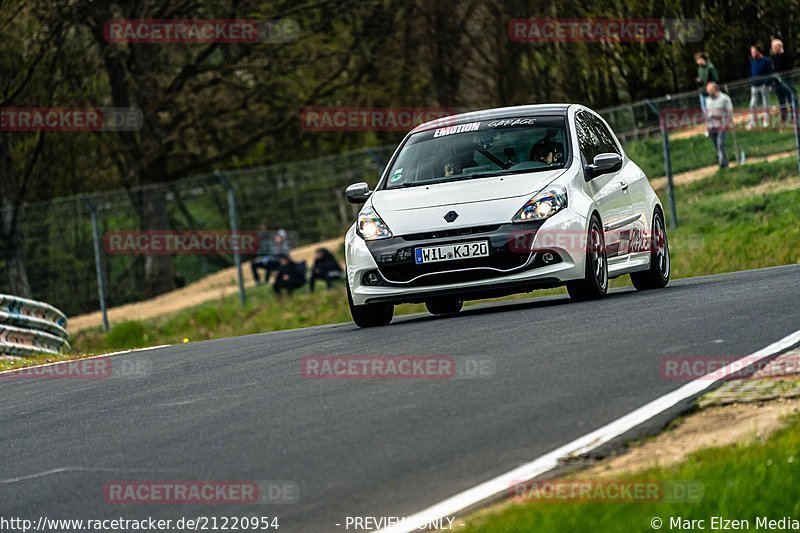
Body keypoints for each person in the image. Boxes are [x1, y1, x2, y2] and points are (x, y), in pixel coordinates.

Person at [705, 82, 733, 169]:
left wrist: (728, 122)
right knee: (717, 146)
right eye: (707, 90)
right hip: (711, 126)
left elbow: (730, 111)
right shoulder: (707, 100)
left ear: (715, 89)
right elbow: (707, 113)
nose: (708, 92)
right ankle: (725, 163)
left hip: (722, 125)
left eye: (710, 90)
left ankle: (722, 166)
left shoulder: (724, 98)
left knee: (720, 144)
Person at [771, 38, 797, 125]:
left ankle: (794, 116)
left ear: (778, 46)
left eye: (774, 47)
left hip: (786, 81)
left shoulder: (786, 57)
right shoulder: (775, 58)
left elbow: (787, 68)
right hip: (778, 83)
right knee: (781, 101)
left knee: (790, 99)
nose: (773, 49)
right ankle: (784, 117)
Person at [748, 43, 774, 129]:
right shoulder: (753, 62)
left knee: (765, 104)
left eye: (754, 52)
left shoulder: (766, 61)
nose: (752, 54)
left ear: (758, 52)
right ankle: (753, 122)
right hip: (754, 86)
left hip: (764, 86)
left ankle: (766, 120)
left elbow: (770, 74)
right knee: (752, 104)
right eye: (752, 52)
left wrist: (766, 83)